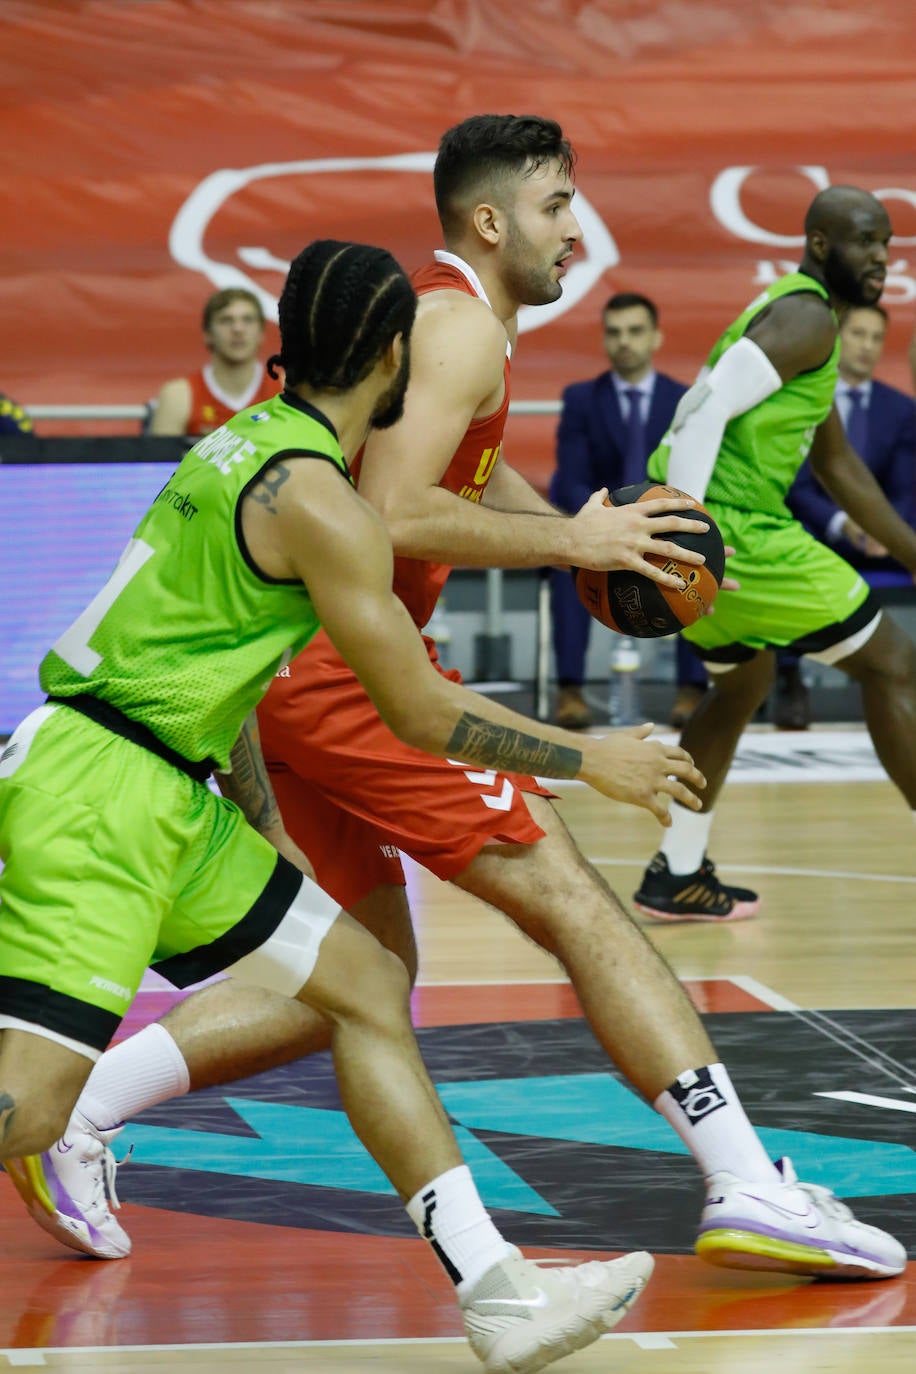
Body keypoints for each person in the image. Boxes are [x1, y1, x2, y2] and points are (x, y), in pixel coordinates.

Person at [18, 123, 905, 1290]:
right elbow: (385, 512)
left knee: (360, 971)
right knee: (571, 897)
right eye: (555, 206)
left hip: (293, 679)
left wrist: (580, 532)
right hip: (349, 675)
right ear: (491, 222)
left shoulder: (455, 323)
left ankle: (74, 1112)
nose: (573, 228)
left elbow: (455, 478)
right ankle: (744, 1179)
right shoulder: (461, 323)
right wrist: (571, 551)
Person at [2, 235, 714, 1373]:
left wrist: (265, 833)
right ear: (393, 355)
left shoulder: (235, 442)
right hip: (102, 798)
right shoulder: (323, 504)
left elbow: (216, 665)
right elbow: (423, 715)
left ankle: (496, 1292)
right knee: (24, 1113)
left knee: (367, 982)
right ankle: (66, 1132)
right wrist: (594, 759)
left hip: (158, 784)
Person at [633, 186, 916, 925]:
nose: (883, 256)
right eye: (866, 241)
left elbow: (837, 464)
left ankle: (679, 873)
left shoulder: (802, 322)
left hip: (725, 528)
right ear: (821, 244)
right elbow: (700, 411)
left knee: (740, 684)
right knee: (895, 665)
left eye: (888, 242)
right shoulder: (809, 317)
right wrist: (683, 534)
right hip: (735, 533)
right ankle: (679, 867)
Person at [547, 293, 707, 730]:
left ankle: (693, 689)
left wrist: (659, 519)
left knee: (700, 557)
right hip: (601, 523)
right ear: (604, 339)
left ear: (656, 336)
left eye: (635, 331)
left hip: (668, 526)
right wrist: (610, 516)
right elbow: (571, 477)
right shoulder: (581, 399)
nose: (625, 342)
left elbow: (693, 475)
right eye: (614, 332)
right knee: (568, 567)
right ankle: (569, 690)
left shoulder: (684, 400)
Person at [777, 303, 916, 728]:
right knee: (785, 543)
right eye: (858, 334)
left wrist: (884, 534)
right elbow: (796, 487)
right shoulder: (806, 403)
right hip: (822, 535)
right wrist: (845, 525)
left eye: (876, 338)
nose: (867, 347)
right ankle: (790, 682)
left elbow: (905, 489)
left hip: (882, 544)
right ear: (836, 338)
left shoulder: (901, 410)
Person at [149, 288, 277, 436]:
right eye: (226, 320)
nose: (238, 329)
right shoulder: (178, 395)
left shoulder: (287, 387)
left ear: (261, 333)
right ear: (208, 334)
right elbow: (163, 459)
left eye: (247, 320)